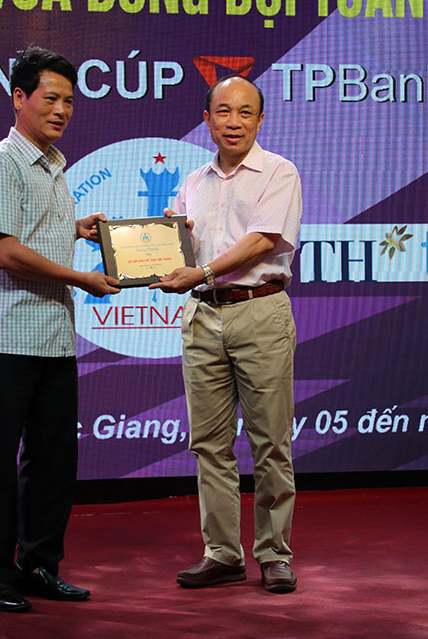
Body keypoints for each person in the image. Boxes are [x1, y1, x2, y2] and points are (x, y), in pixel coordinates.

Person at [0, 46, 120, 612]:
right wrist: (81, 277)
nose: (61, 110)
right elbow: (5, 252)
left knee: (53, 462)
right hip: (5, 339)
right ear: (19, 97)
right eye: (50, 98)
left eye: (69, 101)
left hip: (54, 337)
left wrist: (75, 228)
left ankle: (38, 566)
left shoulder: (53, 165)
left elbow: (31, 232)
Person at [151, 75, 303, 593]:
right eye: (222, 111)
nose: (233, 122)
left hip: (259, 311)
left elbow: (262, 241)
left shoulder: (279, 171)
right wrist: (159, 245)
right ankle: (221, 553)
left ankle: (274, 554)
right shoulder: (193, 182)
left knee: (271, 443)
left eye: (244, 112)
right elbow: (181, 249)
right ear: (207, 119)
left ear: (260, 120)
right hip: (202, 315)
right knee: (209, 445)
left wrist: (200, 270)